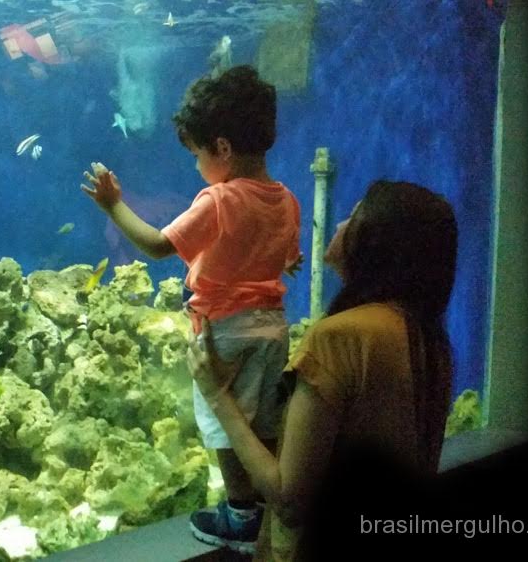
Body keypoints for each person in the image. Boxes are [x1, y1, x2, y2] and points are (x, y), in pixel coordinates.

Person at [82, 65, 302, 554]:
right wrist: (285, 261)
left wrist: (114, 206)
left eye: (197, 154)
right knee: (262, 419)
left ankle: (239, 514)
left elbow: (160, 245)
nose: (197, 165)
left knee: (223, 420)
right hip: (273, 327)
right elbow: (289, 254)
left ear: (221, 148)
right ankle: (261, 503)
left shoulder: (220, 199)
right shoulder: (285, 199)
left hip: (224, 330)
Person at [188, 180, 458, 560]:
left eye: (354, 217)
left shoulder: (340, 338)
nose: (339, 225)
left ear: (377, 244)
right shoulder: (425, 337)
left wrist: (217, 394)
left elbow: (288, 500)